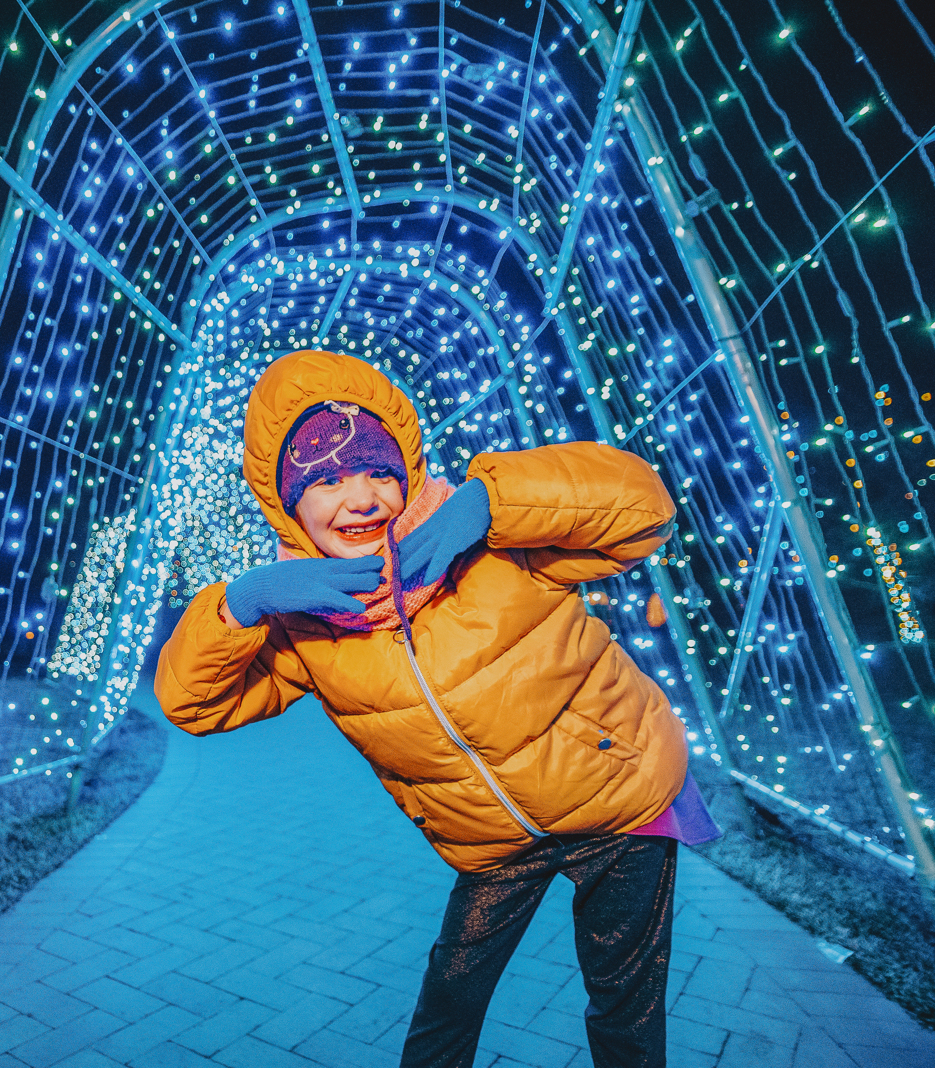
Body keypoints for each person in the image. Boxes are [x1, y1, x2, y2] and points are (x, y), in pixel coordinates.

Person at [154, 349, 719, 1068]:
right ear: (285, 500)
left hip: (617, 798)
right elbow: (192, 704)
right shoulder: (303, 622)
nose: (359, 498)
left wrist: (494, 504)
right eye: (325, 479)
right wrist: (241, 603)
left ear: (408, 474)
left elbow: (645, 509)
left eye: (378, 472)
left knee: (624, 1005)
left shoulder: (492, 545)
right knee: (448, 1004)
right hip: (493, 842)